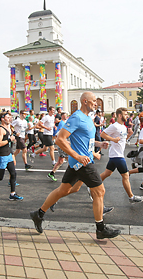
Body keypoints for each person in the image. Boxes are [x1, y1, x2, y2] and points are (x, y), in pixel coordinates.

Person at [30, 91, 120, 239]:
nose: (96, 103)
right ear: (85, 101)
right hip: (82, 163)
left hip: (80, 162)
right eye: (93, 101)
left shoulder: (88, 118)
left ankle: (38, 214)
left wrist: (99, 144)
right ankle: (100, 229)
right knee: (99, 191)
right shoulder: (77, 117)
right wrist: (77, 155)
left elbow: (84, 140)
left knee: (65, 190)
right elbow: (60, 139)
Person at [48, 112, 69, 182]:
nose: (66, 117)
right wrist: (65, 141)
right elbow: (60, 134)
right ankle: (74, 176)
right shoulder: (62, 123)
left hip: (62, 143)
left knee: (61, 161)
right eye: (65, 115)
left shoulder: (64, 123)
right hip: (62, 144)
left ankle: (52, 173)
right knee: (71, 160)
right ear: (62, 116)